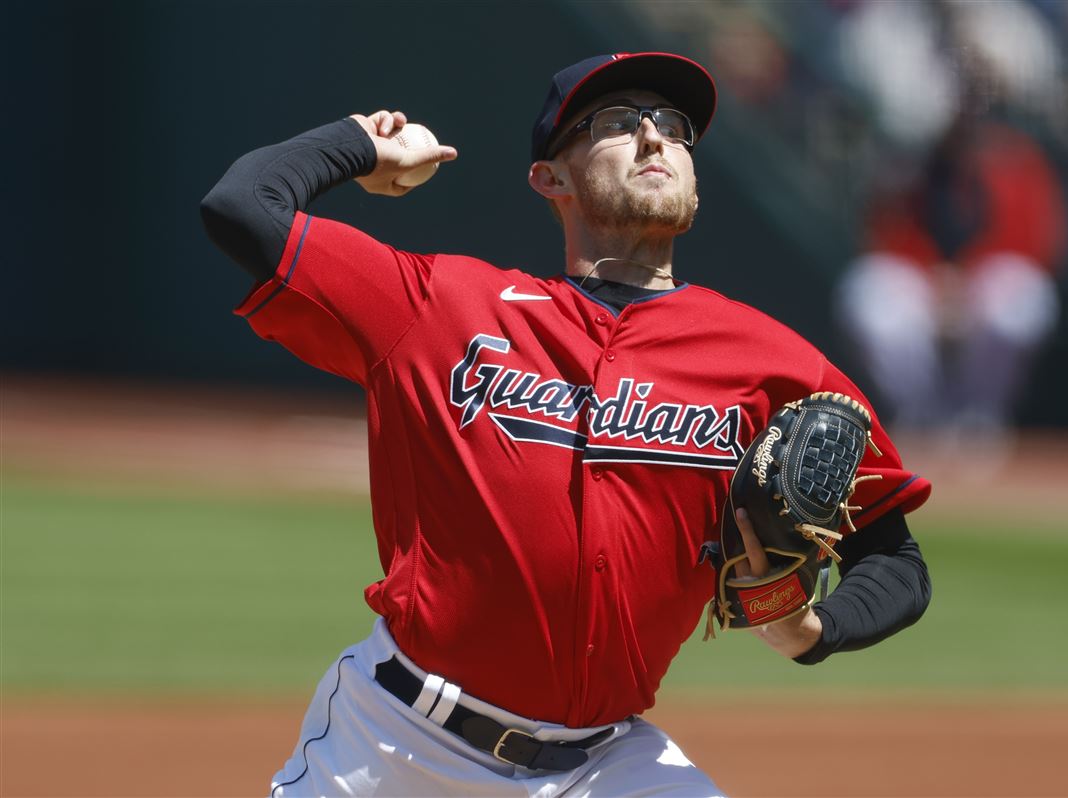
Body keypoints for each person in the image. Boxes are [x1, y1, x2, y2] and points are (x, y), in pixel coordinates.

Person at [201, 52, 932, 797]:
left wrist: (812, 632)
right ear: (550, 178)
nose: (654, 139)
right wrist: (360, 143)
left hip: (604, 764)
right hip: (394, 747)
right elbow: (242, 207)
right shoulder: (437, 305)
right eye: (616, 123)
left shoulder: (775, 363)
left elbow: (896, 559)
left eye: (674, 128)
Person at [835, 114, 1067, 439]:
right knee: (867, 295)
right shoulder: (907, 157)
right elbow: (883, 236)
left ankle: (978, 418)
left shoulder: (1015, 158)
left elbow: (1039, 245)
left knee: (1023, 301)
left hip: (983, 285)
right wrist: (937, 279)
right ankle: (920, 415)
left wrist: (965, 280)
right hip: (920, 281)